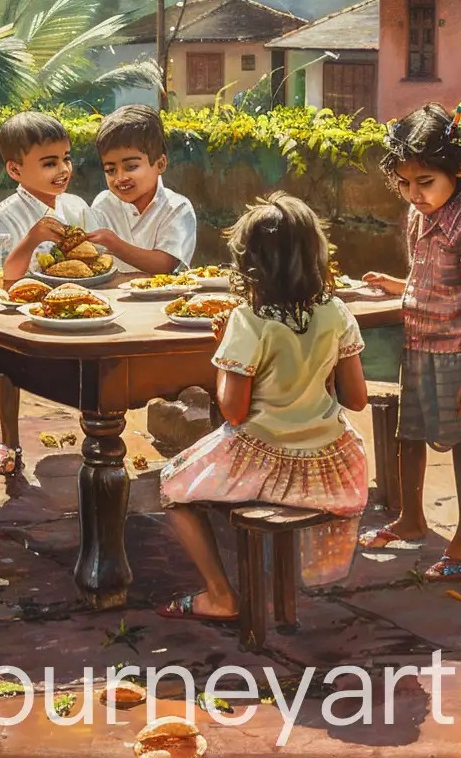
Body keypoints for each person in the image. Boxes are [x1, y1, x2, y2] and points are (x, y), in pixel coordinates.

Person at [157, 193, 370, 623]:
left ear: (248, 266)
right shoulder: (337, 312)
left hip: (262, 458)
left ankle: (220, 595)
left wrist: (223, 356)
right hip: (331, 464)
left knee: (171, 487)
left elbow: (233, 411)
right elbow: (356, 398)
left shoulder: (247, 321)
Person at [358, 104, 461, 579]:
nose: (414, 194)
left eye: (425, 182)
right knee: (411, 434)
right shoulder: (420, 215)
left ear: (458, 170)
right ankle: (411, 518)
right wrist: (399, 285)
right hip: (420, 345)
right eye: (404, 183)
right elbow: (435, 279)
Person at [0, 110, 95, 474]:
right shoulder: (4, 215)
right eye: (49, 163)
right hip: (26, 309)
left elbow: (94, 259)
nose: (62, 170)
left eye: (66, 159)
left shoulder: (76, 206)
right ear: (15, 170)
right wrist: (32, 238)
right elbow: (3, 278)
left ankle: (95, 431)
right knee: (6, 366)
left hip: (75, 299)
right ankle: (9, 438)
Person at [84, 104, 197, 277]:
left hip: (165, 300)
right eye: (110, 170)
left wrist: (114, 244)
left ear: (160, 164)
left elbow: (165, 264)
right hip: (112, 298)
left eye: (131, 167)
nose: (120, 177)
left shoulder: (177, 208)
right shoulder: (103, 203)